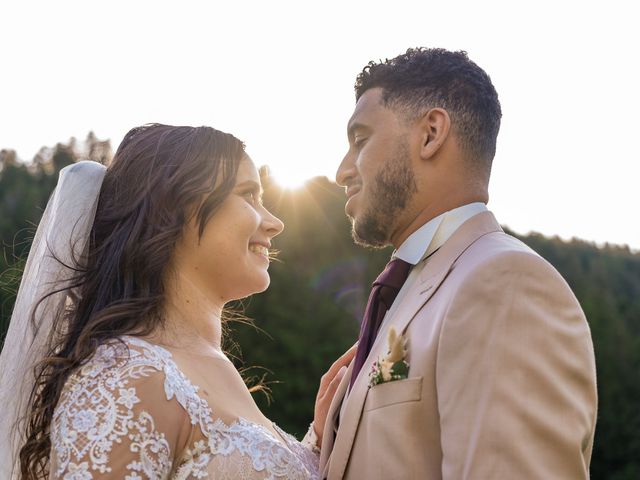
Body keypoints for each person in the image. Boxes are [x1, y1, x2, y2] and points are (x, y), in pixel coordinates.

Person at [0, 124, 353, 479]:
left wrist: (316, 445)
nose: (274, 222)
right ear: (172, 212)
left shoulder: (201, 365)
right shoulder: (125, 378)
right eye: (248, 195)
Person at [320, 48, 598, 479]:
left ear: (431, 133)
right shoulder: (413, 291)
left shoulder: (507, 284)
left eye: (360, 140)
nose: (342, 171)